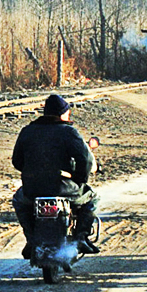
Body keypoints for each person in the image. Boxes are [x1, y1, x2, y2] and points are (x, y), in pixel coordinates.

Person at [12, 93, 100, 256]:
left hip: (33, 190)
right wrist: (79, 179)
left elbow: (17, 161)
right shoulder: (68, 132)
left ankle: (31, 239)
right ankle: (81, 237)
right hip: (64, 189)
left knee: (19, 201)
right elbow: (85, 160)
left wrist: (32, 174)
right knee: (92, 198)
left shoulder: (27, 131)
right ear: (62, 113)